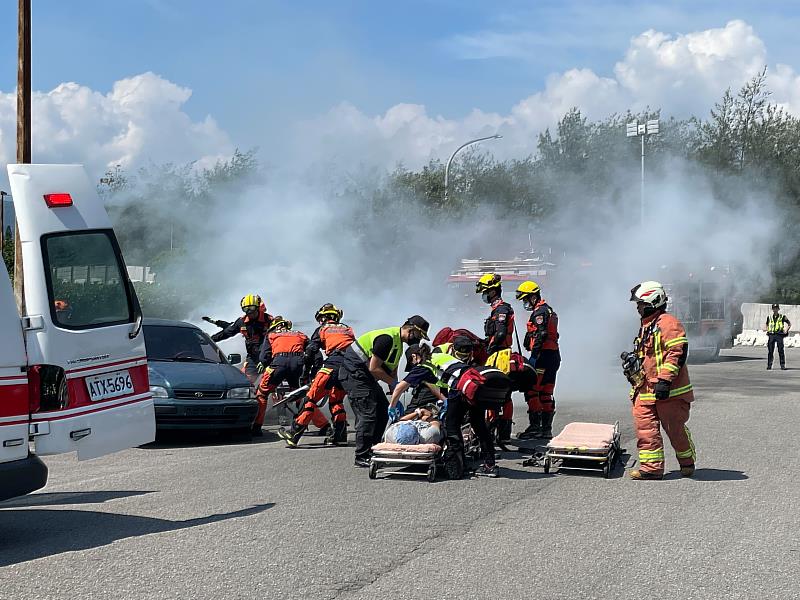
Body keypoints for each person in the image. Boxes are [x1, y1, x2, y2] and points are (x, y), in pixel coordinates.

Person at [389, 338, 506, 478]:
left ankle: (459, 467)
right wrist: (445, 401)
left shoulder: (423, 366)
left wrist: (391, 407)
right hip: (473, 388)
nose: (412, 366)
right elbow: (443, 380)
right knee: (479, 426)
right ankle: (490, 465)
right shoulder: (440, 357)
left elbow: (400, 387)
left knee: (452, 428)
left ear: (415, 357)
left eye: (411, 362)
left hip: (459, 392)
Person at [626, 281, 697, 480]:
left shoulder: (668, 323)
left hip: (669, 392)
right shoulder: (647, 326)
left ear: (652, 301)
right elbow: (649, 356)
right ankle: (651, 469)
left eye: (640, 303)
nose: (638, 307)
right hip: (646, 389)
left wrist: (664, 381)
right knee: (645, 428)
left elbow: (677, 353)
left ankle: (687, 461)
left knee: (674, 429)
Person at [338, 315, 430, 467]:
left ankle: (374, 449)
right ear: (412, 330)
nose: (419, 340)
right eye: (419, 335)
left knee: (382, 411)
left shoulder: (398, 344)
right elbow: (374, 368)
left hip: (366, 378)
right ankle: (362, 455)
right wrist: (394, 383)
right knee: (368, 414)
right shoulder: (386, 339)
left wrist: (396, 395)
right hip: (354, 375)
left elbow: (391, 370)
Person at [278, 303, 353, 448]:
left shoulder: (322, 329)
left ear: (324, 318)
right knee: (336, 401)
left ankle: (294, 434)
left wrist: (306, 374)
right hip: (348, 368)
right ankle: (340, 436)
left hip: (330, 366)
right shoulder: (347, 329)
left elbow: (311, 352)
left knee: (310, 400)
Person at [515, 281, 561, 440]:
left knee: (533, 390)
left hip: (542, 357)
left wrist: (534, 357)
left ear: (533, 297)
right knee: (547, 392)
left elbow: (541, 335)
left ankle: (535, 428)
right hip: (553, 356)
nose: (524, 303)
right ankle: (546, 430)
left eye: (525, 299)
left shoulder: (540, 312)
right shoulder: (548, 310)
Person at [255, 317, 313, 435]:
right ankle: (302, 424)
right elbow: (312, 349)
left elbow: (264, 356)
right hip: (297, 365)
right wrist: (308, 367)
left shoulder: (271, 335)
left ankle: (256, 427)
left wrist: (263, 363)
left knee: (262, 393)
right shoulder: (300, 334)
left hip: (279, 364)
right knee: (300, 393)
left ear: (275, 327)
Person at [475, 273, 515, 442]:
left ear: (492, 291)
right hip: (497, 352)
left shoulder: (501, 309)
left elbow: (499, 333)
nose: (483, 295)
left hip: (500, 354)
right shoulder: (497, 309)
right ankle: (495, 429)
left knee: (499, 392)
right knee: (495, 392)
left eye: (485, 291)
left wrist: (490, 347)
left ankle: (501, 431)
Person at [210, 294, 273, 385]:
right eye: (245, 309)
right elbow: (225, 333)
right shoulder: (241, 322)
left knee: (272, 382)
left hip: (269, 357)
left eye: (251, 308)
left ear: (257, 307)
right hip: (253, 358)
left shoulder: (269, 320)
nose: (249, 312)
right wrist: (210, 340)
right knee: (244, 383)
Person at [766, 303, 791, 370]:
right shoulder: (769, 317)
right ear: (772, 309)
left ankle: (782, 365)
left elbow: (789, 323)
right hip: (771, 335)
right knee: (770, 351)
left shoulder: (782, 317)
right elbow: (767, 324)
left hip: (779, 335)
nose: (775, 309)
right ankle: (769, 365)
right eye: (774, 308)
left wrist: (786, 330)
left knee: (781, 350)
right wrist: (767, 330)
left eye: (776, 308)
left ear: (778, 309)